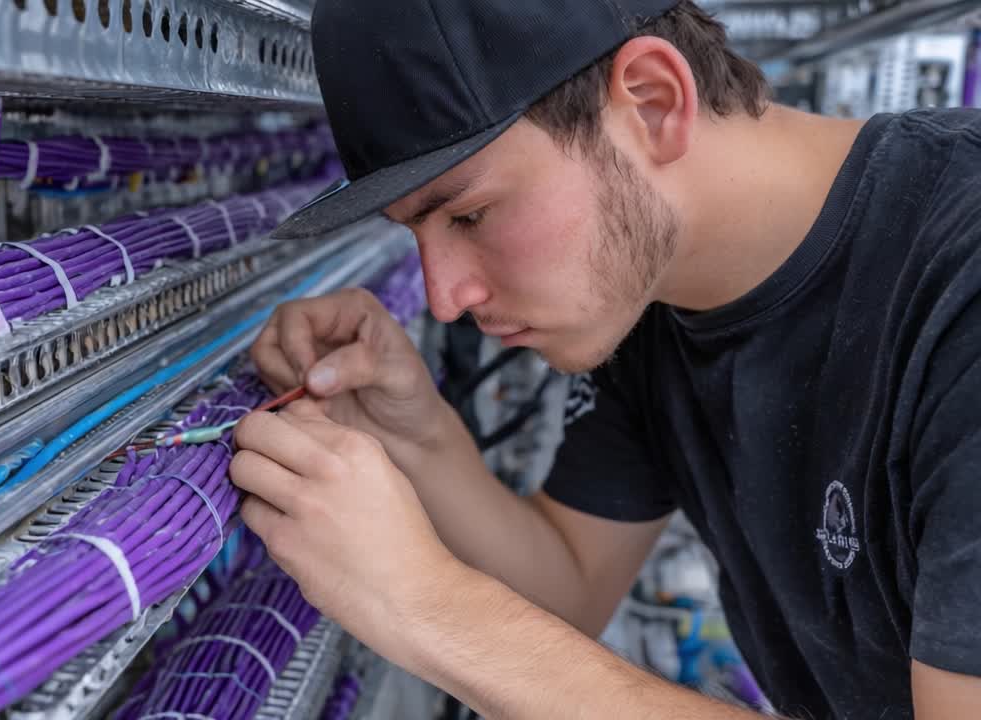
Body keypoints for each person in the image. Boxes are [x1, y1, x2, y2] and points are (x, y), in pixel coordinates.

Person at [226, 1, 981, 717]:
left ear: (653, 102)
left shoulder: (958, 290)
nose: (444, 296)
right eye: (416, 235)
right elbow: (570, 588)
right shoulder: (650, 295)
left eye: (470, 214)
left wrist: (427, 606)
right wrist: (416, 432)